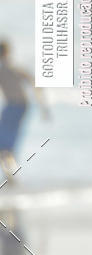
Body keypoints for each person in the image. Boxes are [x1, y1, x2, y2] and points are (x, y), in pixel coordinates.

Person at [0, 39, 51, 181]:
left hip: (14, 107)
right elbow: (35, 83)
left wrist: (43, 107)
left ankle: (10, 174)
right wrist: (43, 107)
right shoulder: (14, 68)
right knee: (8, 141)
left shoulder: (7, 69)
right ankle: (10, 173)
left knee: (5, 142)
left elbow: (34, 82)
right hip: (20, 106)